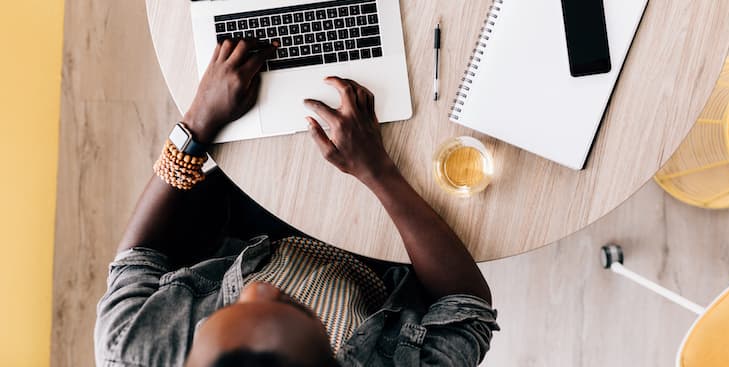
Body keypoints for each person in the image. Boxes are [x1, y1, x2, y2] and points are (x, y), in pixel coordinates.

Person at [94, 38, 498, 367]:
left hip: (255, 223)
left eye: (224, 312)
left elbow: (137, 257)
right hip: (394, 256)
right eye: (294, 309)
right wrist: (378, 172)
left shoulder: (129, 350)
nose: (258, 291)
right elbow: (468, 305)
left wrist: (198, 120)